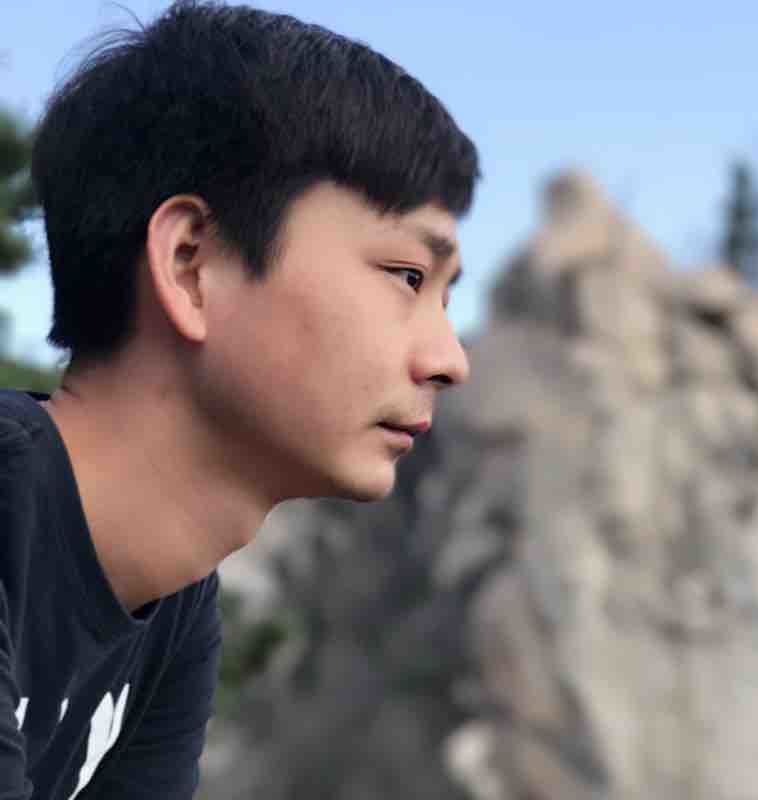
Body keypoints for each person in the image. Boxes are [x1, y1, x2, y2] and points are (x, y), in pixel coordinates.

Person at [0, 1, 479, 797]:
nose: (449, 360)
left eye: (445, 297)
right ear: (192, 263)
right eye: (407, 277)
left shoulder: (173, 605)